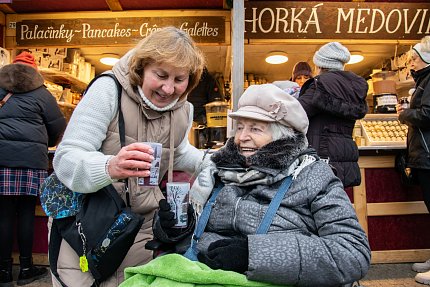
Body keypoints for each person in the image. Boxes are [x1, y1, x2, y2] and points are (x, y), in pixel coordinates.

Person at [144, 84, 371, 287]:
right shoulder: (217, 171)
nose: (242, 137)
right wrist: (177, 230)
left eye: (255, 129)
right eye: (240, 127)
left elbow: (351, 253)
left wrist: (253, 255)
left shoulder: (313, 176)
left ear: (283, 137)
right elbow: (193, 238)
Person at [51, 26, 207, 286]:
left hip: (142, 233)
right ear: (142, 67)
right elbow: (66, 159)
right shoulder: (107, 90)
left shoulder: (183, 110)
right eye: (161, 75)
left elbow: (177, 153)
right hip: (89, 228)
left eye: (180, 79)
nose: (169, 88)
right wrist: (110, 166)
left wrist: (211, 162)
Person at [0, 51, 67, 286]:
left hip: (2, 160)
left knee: (4, 214)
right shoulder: (42, 94)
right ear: (34, 71)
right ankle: (26, 267)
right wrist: (44, 141)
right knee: (27, 212)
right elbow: (58, 127)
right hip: (31, 161)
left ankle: (4, 271)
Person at [298, 42, 368, 188]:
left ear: (320, 66)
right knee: (336, 204)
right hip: (345, 158)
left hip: (322, 158)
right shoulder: (353, 87)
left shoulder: (321, 85)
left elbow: (295, 114)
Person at [396, 35, 430, 286]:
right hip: (424, 154)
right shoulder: (424, 81)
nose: (411, 63)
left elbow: (428, 114)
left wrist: (405, 114)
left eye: (415, 59)